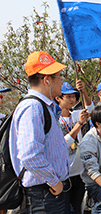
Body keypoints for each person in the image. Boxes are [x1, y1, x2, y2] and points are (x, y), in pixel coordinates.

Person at [9, 51, 70, 213]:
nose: (61, 82)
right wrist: (53, 181)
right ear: (46, 80)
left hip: (48, 192)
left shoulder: (44, 107)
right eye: (58, 77)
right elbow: (30, 155)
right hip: (43, 195)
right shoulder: (33, 107)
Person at [55, 81, 93, 213]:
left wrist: (83, 91)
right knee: (64, 209)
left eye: (74, 96)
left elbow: (91, 110)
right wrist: (78, 125)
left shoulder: (76, 114)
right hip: (64, 175)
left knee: (77, 208)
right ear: (58, 98)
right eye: (68, 96)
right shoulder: (55, 120)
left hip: (79, 172)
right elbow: (62, 144)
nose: (72, 99)